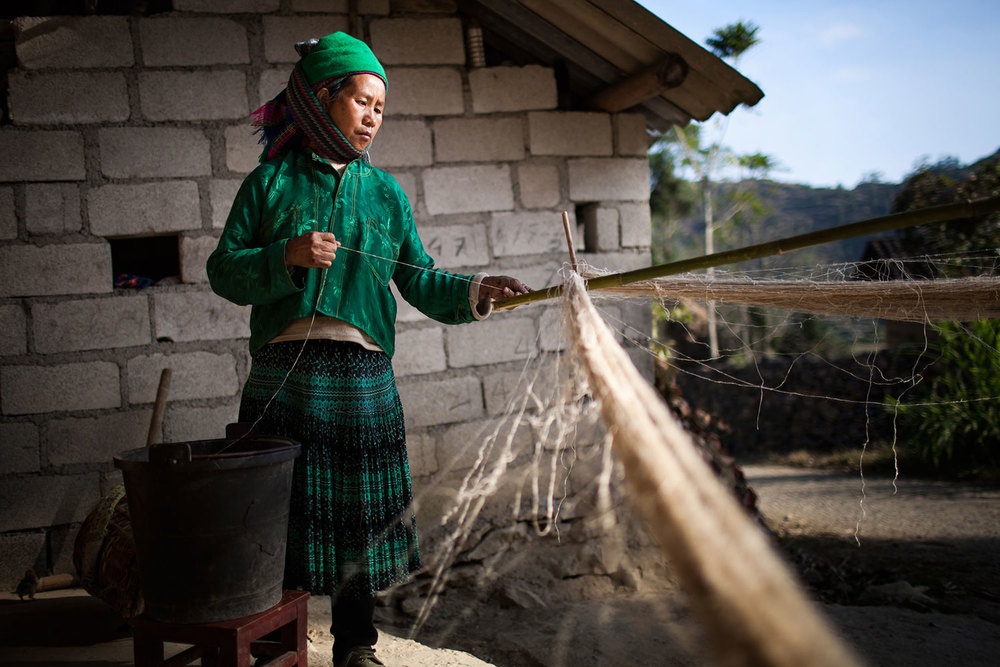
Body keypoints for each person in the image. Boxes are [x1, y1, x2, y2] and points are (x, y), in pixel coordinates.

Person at [206, 32, 530, 667]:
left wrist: (475, 290)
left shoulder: (385, 194)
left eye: (380, 108)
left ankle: (355, 646)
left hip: (362, 376)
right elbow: (224, 270)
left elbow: (420, 278)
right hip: (283, 373)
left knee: (355, 514)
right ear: (320, 98)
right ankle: (274, 644)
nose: (372, 117)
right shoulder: (269, 183)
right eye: (361, 101)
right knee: (280, 510)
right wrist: (285, 255)